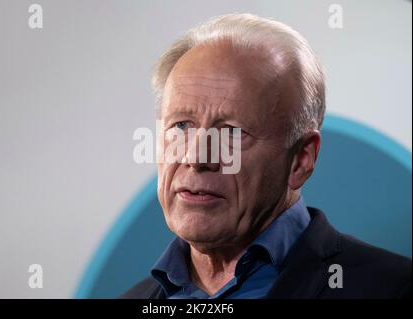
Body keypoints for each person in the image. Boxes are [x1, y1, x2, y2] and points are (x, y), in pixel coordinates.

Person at [121, 13, 411, 299]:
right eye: (181, 125)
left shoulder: (392, 288)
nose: (196, 157)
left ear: (301, 158)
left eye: (231, 132)